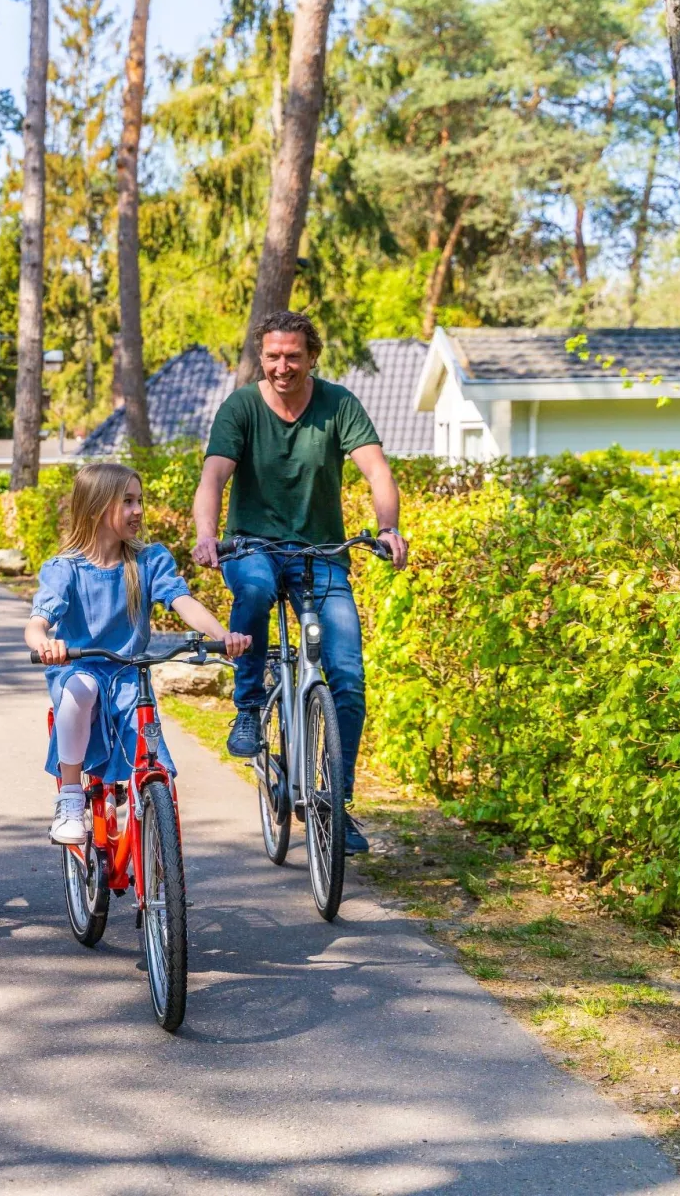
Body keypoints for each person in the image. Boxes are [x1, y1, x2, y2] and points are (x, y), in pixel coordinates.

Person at [191, 309, 409, 855]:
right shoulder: (241, 406)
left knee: (348, 677)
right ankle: (247, 707)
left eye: (292, 356)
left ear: (312, 356)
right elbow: (214, 476)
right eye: (272, 356)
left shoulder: (338, 405)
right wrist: (206, 535)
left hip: (321, 552)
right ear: (260, 358)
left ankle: (336, 804)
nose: (281, 366)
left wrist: (388, 528)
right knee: (257, 591)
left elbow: (377, 470)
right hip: (252, 547)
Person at [23, 463, 250, 845]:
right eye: (127, 501)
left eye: (139, 500)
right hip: (81, 666)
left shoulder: (148, 560)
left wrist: (222, 635)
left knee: (150, 757)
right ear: (96, 508)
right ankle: (71, 796)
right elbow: (36, 622)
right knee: (80, 691)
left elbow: (182, 601)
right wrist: (45, 643)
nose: (139, 510)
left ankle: (147, 822)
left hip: (130, 673)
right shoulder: (65, 569)